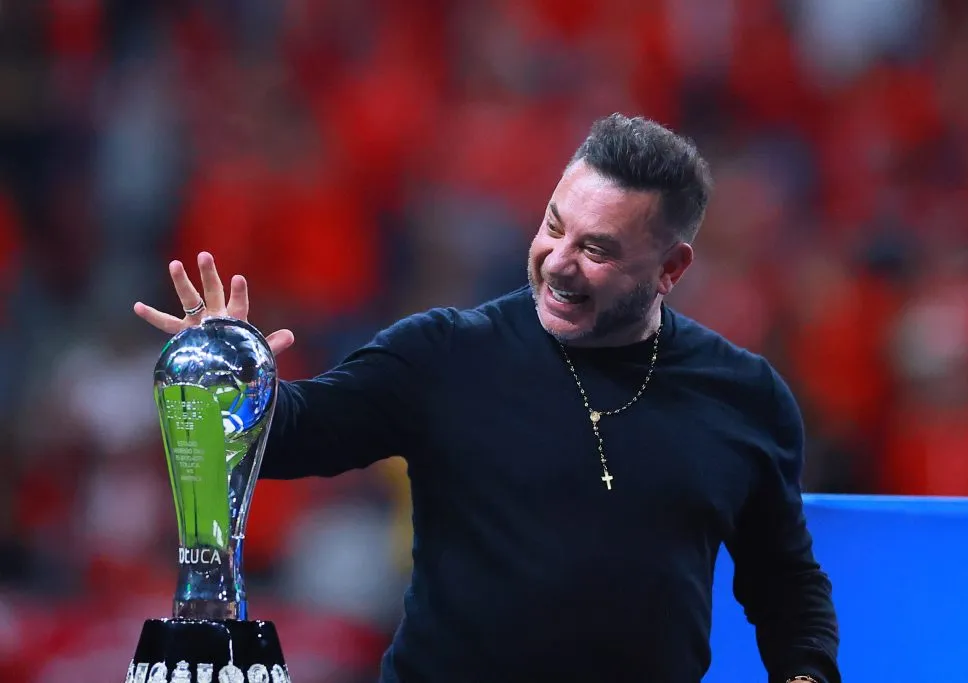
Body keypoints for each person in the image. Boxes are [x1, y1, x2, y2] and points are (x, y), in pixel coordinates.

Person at [135, 113, 841, 683]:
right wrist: (223, 373)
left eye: (596, 249)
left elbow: (786, 584)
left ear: (671, 268)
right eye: (553, 226)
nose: (557, 262)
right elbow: (288, 437)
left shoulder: (745, 397)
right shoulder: (445, 352)